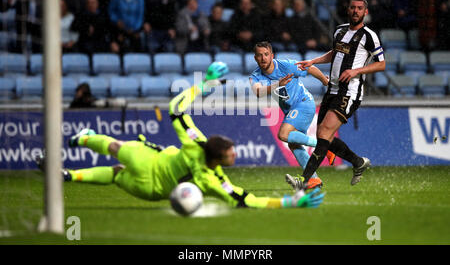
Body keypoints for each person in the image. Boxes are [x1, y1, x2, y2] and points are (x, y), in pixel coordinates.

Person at [40, 63, 324, 210]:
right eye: (231, 153)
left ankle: (85, 139)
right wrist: (289, 203)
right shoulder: (211, 179)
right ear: (219, 158)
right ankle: (68, 174)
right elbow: (246, 200)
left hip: (148, 161)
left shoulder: (194, 142)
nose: (234, 154)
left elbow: (175, 109)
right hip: (153, 191)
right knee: (115, 172)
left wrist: (205, 83)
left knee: (115, 148)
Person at [291, 0, 386, 189]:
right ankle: (358, 162)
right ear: (348, 9)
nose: (356, 11)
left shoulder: (369, 36)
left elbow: (382, 64)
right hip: (332, 89)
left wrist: (356, 71)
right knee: (323, 136)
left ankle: (305, 180)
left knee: (325, 132)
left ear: (365, 12)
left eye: (360, 8)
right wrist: (313, 61)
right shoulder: (340, 30)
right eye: (353, 7)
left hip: (349, 92)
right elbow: (335, 53)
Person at [249, 41, 335, 190]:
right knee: (294, 144)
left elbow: (309, 68)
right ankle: (313, 179)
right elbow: (258, 92)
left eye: (266, 54)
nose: (263, 58)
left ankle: (325, 147)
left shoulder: (285, 65)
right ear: (255, 58)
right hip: (291, 111)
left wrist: (325, 82)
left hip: (304, 103)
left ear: (272, 55)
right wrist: (278, 85)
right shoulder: (255, 76)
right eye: (259, 55)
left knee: (283, 134)